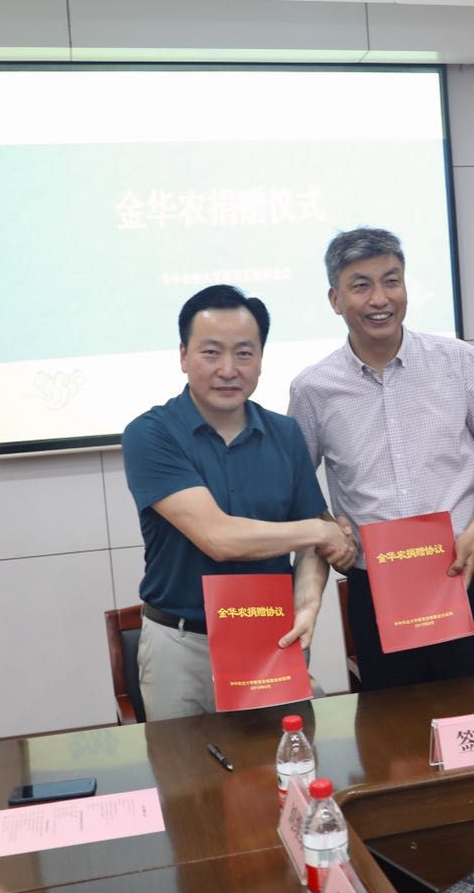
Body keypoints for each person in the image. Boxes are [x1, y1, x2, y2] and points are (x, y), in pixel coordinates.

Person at [288, 227, 474, 690]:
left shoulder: (457, 360)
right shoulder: (313, 389)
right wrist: (329, 528)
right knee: (399, 731)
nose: (380, 298)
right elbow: (296, 487)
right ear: (335, 299)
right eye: (361, 285)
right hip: (380, 593)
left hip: (465, 574)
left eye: (391, 281)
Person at [123, 284, 355, 720]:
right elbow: (219, 538)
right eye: (211, 352)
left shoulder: (285, 434)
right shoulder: (151, 434)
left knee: (284, 758)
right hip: (182, 645)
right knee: (183, 764)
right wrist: (320, 530)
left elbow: (313, 547)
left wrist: (307, 606)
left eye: (244, 353)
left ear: (261, 359)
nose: (228, 369)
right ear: (183, 356)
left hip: (270, 637)